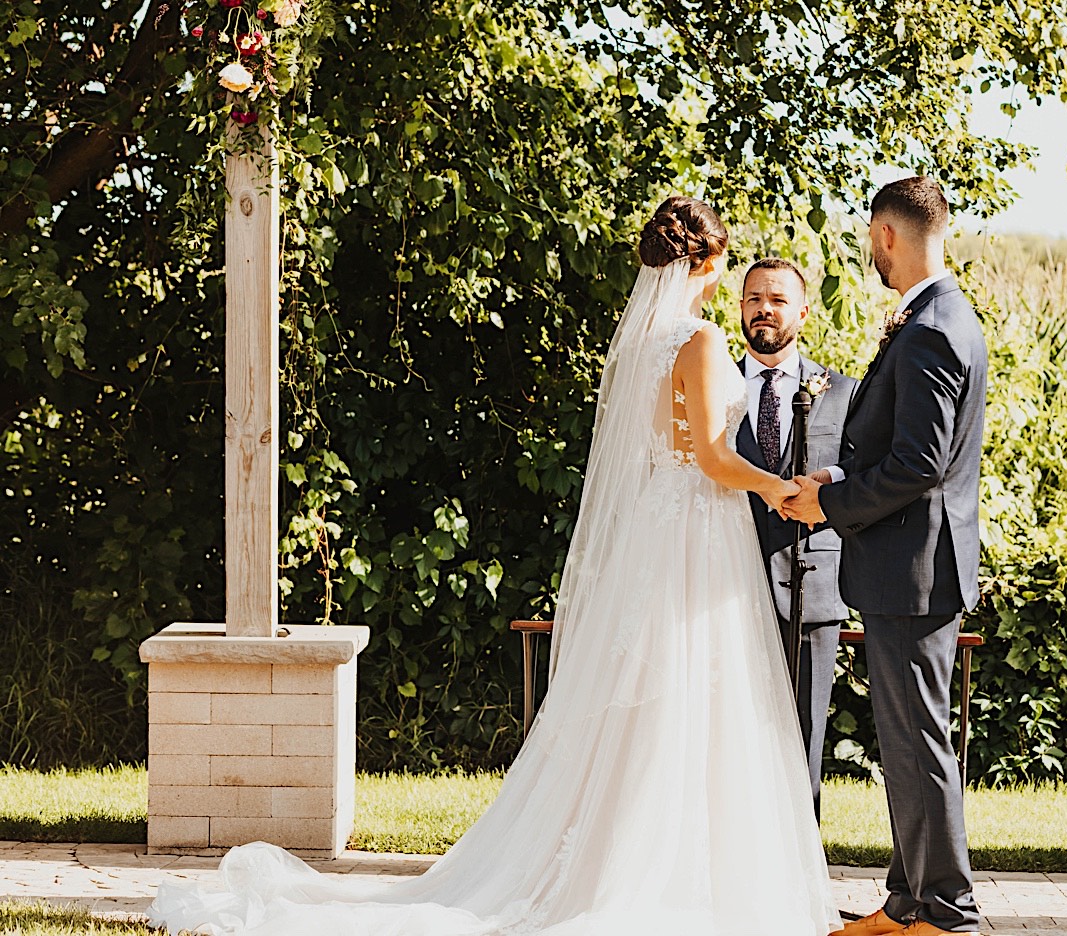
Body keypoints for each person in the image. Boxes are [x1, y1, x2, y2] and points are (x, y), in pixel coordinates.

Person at [148, 196, 841, 936]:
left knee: (657, 702)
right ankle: (672, 875)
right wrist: (776, 488)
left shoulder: (639, 342)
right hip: (697, 534)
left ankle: (640, 860)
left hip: (663, 534)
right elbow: (707, 454)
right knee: (696, 697)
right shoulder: (698, 340)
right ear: (707, 262)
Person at [783, 177, 986, 936]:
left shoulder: (932, 326)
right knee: (904, 741)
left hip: (915, 569)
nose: (870, 250)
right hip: (908, 564)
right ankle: (905, 905)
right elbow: (904, 451)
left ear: (886, 233)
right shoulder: (934, 316)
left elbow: (920, 465)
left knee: (921, 742)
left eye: (871, 238)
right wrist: (840, 474)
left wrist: (827, 505)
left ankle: (947, 910)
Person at [734, 257, 856, 819]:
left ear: (803, 312)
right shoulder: (711, 385)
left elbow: (864, 474)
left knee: (806, 732)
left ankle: (801, 865)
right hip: (725, 587)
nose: (765, 308)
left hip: (815, 586)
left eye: (778, 299)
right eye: (754, 297)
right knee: (728, 730)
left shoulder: (844, 392)